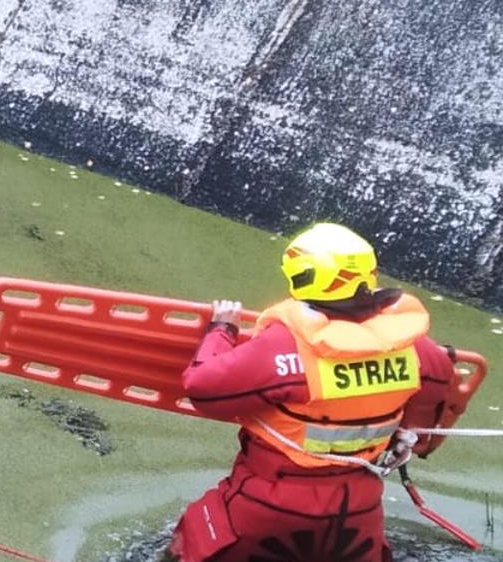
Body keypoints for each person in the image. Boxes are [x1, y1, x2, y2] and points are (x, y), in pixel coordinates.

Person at [167, 222, 457, 562]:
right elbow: (425, 435)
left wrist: (221, 330)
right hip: (357, 514)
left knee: (193, 540)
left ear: (300, 277)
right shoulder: (418, 350)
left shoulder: (286, 345)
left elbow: (203, 390)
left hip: (269, 506)